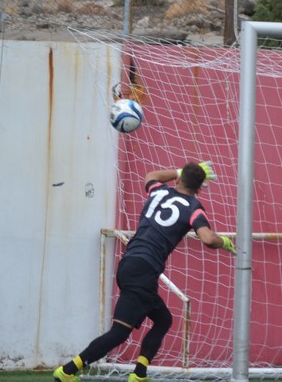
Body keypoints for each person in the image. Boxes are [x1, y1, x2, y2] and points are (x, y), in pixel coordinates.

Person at [52, 161, 237, 382]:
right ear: (199, 189)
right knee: (119, 332)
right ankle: (67, 371)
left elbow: (151, 175)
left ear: (178, 179)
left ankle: (139, 374)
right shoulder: (193, 207)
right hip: (144, 270)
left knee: (163, 319)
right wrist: (225, 241)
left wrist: (178, 170)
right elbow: (208, 238)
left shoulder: (158, 191)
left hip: (130, 263)